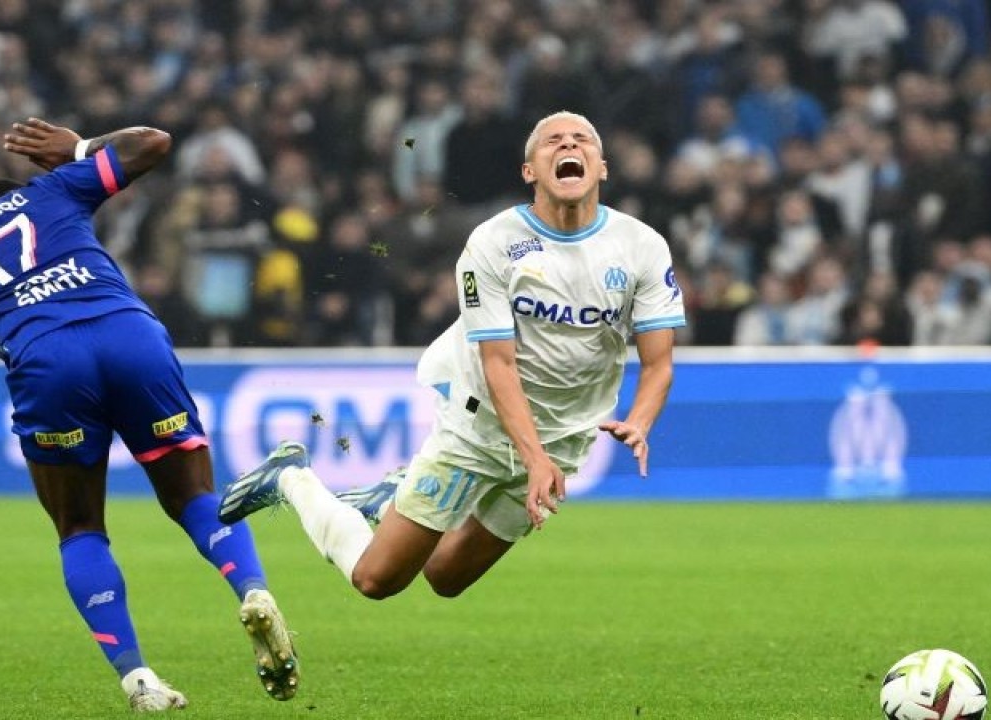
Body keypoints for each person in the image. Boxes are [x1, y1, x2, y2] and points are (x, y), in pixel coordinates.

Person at [0, 118, 299, 711]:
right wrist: (77, 149)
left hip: (49, 363)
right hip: (129, 338)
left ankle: (138, 676)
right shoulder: (52, 190)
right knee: (194, 496)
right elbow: (154, 143)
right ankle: (251, 589)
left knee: (80, 528)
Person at [217, 111, 685, 602]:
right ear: (530, 172)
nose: (568, 144)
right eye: (552, 140)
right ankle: (291, 476)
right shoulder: (494, 244)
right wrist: (533, 458)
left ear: (602, 166)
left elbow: (658, 363)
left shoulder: (641, 247)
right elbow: (497, 363)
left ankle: (393, 496)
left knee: (446, 579)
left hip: (564, 440)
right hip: (479, 423)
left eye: (581, 139)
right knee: (378, 580)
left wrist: (640, 419)